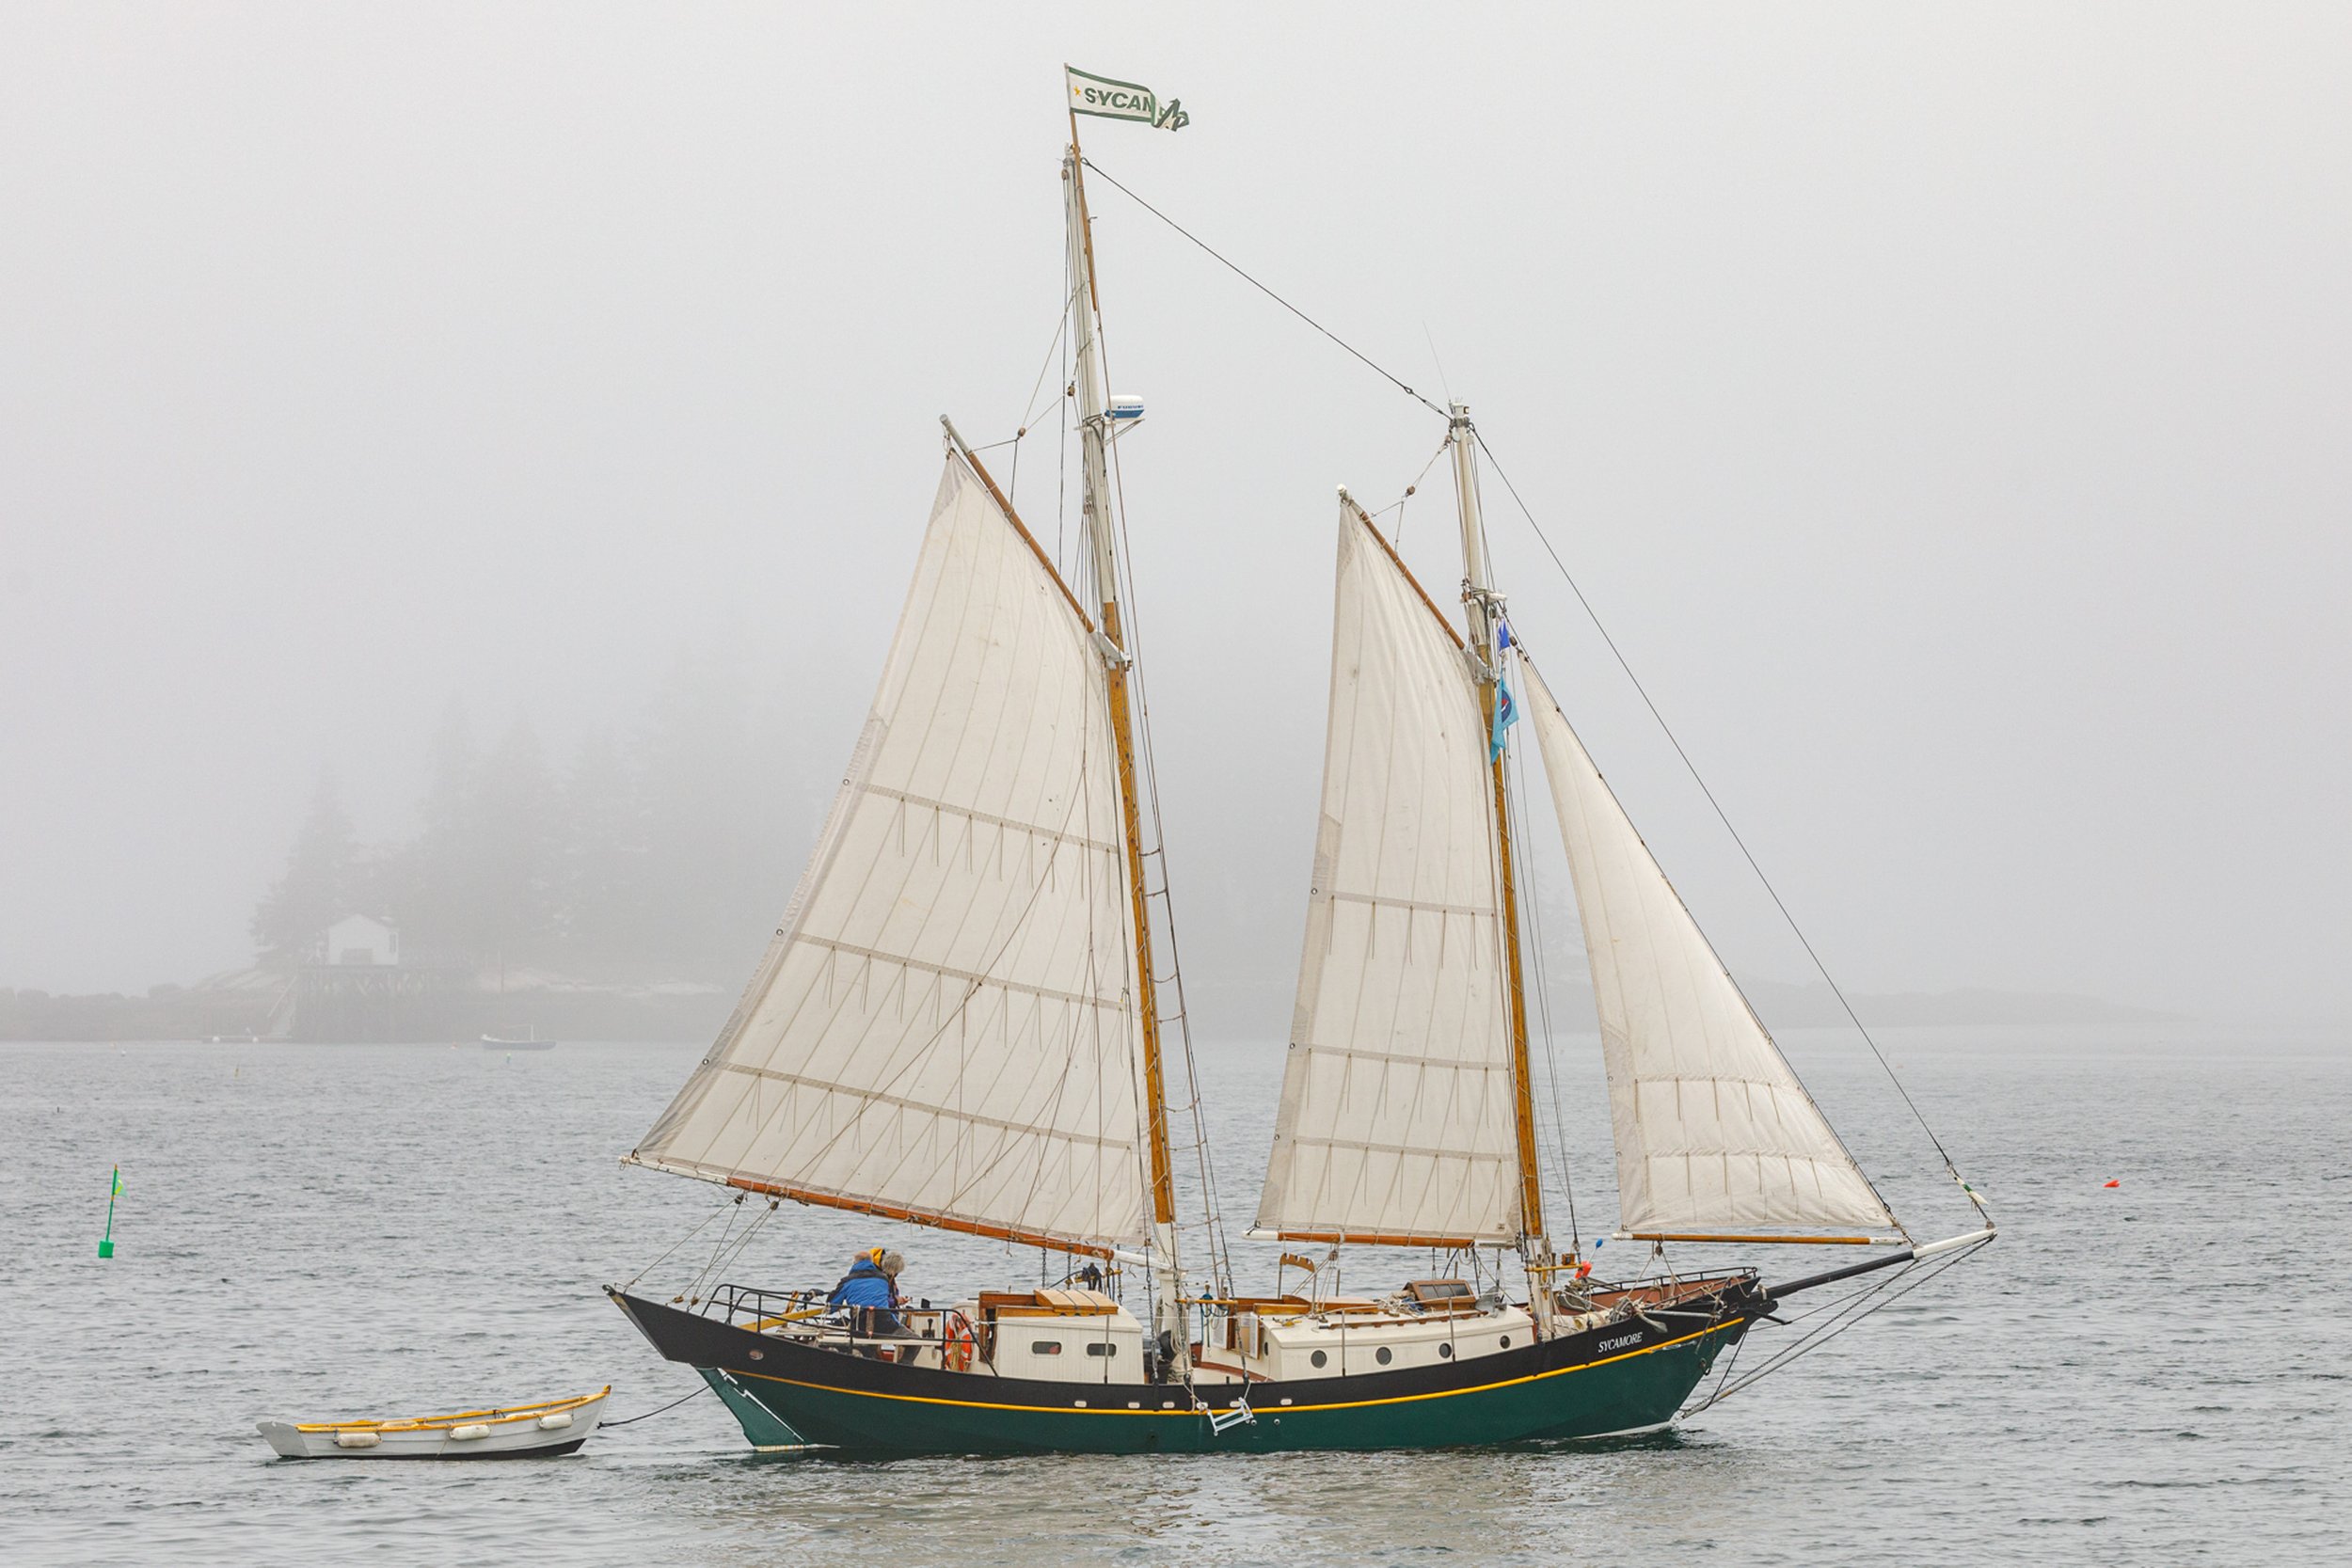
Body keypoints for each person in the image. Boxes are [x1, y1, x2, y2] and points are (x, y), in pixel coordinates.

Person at [827, 1247, 906, 1339]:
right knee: (913, 1341)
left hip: (859, 1325)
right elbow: (883, 1300)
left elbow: (831, 1307)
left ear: (855, 1263)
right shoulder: (883, 1279)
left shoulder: (847, 1281)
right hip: (885, 1322)